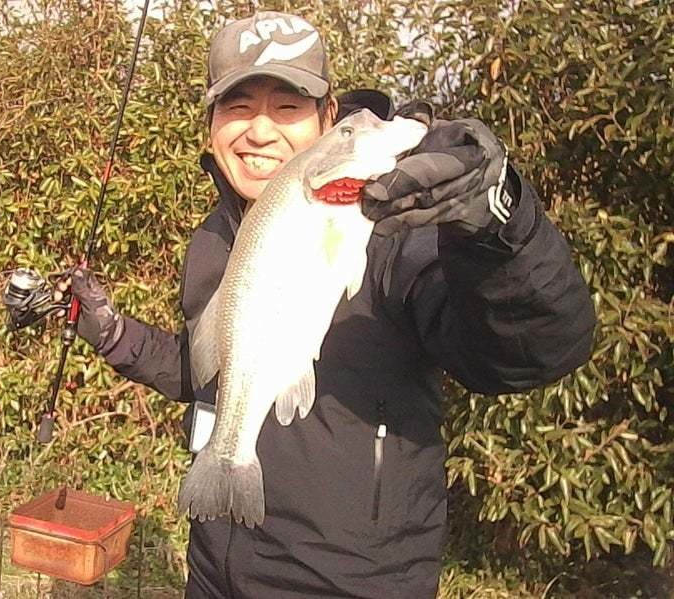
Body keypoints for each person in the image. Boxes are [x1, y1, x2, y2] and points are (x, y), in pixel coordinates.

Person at [63, 11, 595, 598]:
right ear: (211, 124)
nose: (259, 131)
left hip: (349, 582)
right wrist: (112, 332)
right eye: (237, 106)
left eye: (287, 107)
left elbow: (533, 353)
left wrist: (497, 223)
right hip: (216, 573)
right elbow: (211, 372)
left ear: (327, 117)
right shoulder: (214, 237)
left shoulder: (395, 229)